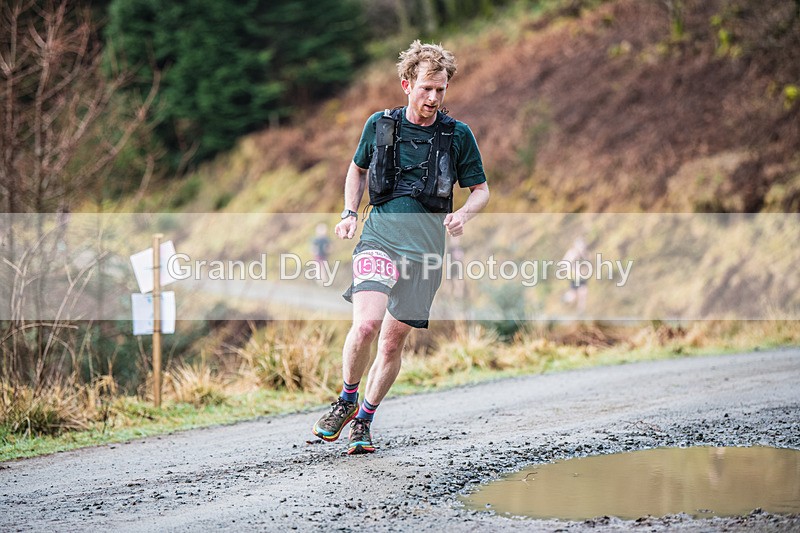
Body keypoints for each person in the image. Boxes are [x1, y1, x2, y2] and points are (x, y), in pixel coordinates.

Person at [312, 40, 490, 454]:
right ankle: (345, 399)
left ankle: (365, 421)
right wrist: (348, 213)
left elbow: (481, 190)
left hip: (426, 253)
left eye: (441, 90)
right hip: (380, 239)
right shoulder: (380, 126)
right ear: (407, 84)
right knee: (367, 325)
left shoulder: (458, 136)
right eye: (427, 88)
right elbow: (356, 171)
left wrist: (464, 214)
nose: (433, 98)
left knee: (392, 343)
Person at [562, 236, 589, 315]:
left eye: (584, 246)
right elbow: (565, 263)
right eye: (581, 246)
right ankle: (564, 298)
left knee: (583, 292)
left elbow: (587, 264)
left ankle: (581, 312)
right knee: (574, 295)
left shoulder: (584, 254)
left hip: (581, 276)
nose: (583, 248)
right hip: (574, 276)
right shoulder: (572, 253)